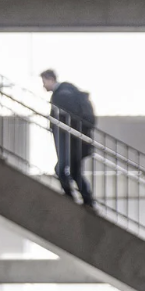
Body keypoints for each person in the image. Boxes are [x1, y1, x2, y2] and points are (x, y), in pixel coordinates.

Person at [40, 69, 96, 210]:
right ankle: (88, 201)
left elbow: (66, 119)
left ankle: (71, 198)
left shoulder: (62, 95)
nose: (43, 85)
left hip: (70, 142)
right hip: (75, 142)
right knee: (74, 172)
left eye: (44, 81)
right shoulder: (67, 92)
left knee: (61, 169)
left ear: (50, 79)